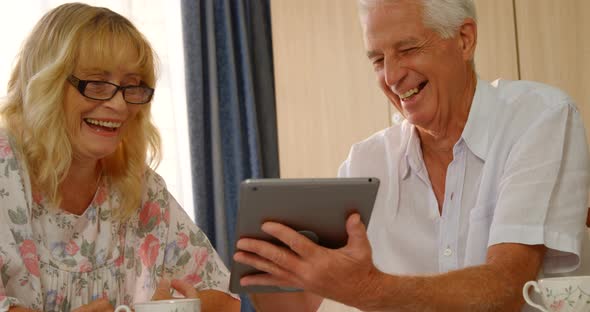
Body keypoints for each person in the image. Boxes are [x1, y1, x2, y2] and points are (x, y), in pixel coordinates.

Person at [233, 0, 590, 311]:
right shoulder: (365, 161)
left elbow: (506, 291)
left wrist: (368, 289)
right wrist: (272, 273)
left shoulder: (539, 118)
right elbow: (313, 302)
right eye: (377, 59)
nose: (391, 76)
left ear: (464, 39)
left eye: (407, 49)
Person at [0, 3, 239, 312]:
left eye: (132, 86)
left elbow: (224, 298)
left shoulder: (139, 187)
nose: (119, 105)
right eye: (97, 84)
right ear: (46, 84)